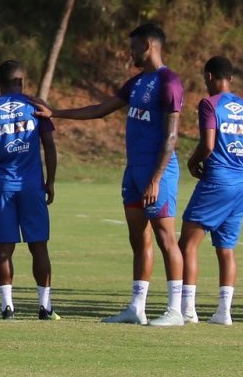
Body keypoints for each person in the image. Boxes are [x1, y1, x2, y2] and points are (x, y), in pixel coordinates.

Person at [36, 23, 185, 326]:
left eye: (133, 47)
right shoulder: (137, 82)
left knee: (165, 236)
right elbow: (101, 109)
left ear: (148, 45)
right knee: (137, 237)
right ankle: (137, 307)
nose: (129, 52)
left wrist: (156, 178)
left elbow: (172, 136)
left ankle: (175, 311)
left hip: (159, 172)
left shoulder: (170, 82)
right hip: (133, 171)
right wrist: (57, 113)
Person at [177, 56, 243, 325]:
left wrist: (192, 162)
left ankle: (188, 310)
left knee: (187, 244)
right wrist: (242, 167)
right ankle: (224, 312)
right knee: (226, 248)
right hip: (240, 186)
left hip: (216, 181)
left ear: (209, 76)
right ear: (232, 78)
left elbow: (209, 144)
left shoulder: (209, 104)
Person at [0, 60, 58, 321]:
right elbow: (49, 147)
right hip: (32, 186)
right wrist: (50, 181)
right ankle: (45, 306)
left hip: (3, 187)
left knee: (4, 249)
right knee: (38, 246)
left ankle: (7, 307)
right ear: (22, 82)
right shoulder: (36, 106)